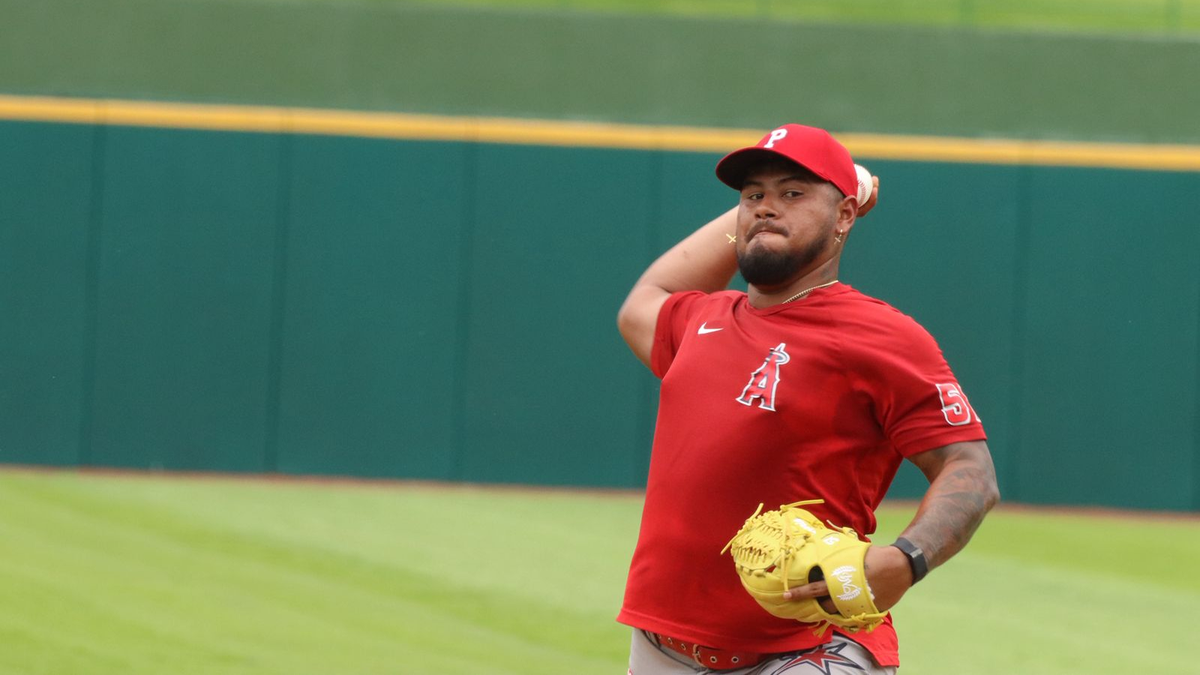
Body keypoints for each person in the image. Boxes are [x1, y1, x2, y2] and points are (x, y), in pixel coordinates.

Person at [615, 124, 1000, 674]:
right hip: (661, 650)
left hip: (810, 651)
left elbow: (971, 469)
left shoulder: (879, 335)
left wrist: (907, 559)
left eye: (793, 193)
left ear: (844, 216)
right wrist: (771, 210)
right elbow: (643, 303)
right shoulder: (701, 320)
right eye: (753, 195)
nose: (766, 208)